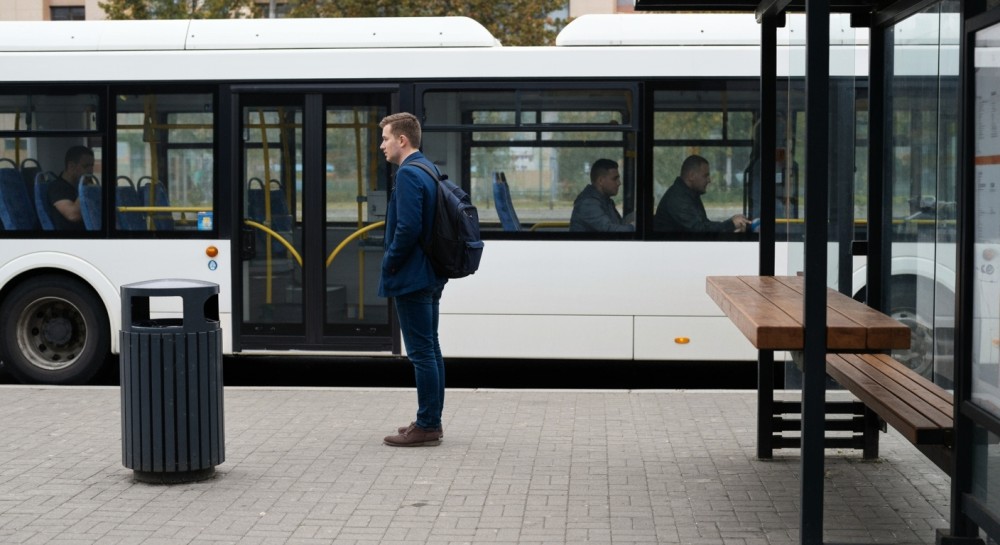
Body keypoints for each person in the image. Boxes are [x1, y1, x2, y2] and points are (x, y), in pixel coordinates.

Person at [378, 112, 447, 447]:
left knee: (421, 352)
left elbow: (408, 228)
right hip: (431, 272)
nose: (382, 146)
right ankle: (430, 420)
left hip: (413, 276)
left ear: (402, 140)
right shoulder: (428, 168)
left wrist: (389, 262)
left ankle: (427, 425)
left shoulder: (408, 174)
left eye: (386, 138)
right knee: (430, 349)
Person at [654, 154, 751, 233]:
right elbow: (699, 230)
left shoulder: (690, 194)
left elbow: (704, 225)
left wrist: (732, 223)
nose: (709, 180)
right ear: (691, 176)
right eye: (705, 176)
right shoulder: (677, 198)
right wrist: (731, 224)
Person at [569, 158, 635, 232]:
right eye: (615, 179)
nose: (619, 183)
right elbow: (610, 230)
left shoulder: (606, 201)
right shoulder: (588, 203)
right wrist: (634, 227)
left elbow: (618, 224)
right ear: (601, 181)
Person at [47, 145, 94, 231]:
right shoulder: (57, 187)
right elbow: (73, 215)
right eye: (86, 166)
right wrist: (85, 189)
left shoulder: (76, 186)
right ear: (71, 166)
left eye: (91, 166)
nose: (90, 171)